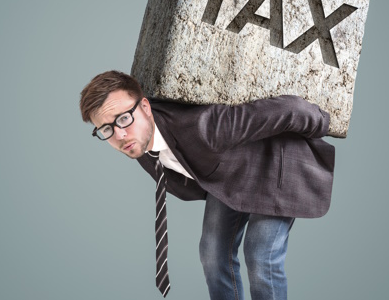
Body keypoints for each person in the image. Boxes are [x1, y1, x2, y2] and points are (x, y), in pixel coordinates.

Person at [79, 70, 335, 300]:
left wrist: (323, 122)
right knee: (212, 254)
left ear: (145, 106)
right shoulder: (138, 144)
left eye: (123, 119)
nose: (119, 135)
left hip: (274, 164)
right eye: (106, 129)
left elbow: (288, 107)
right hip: (228, 174)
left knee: (260, 255)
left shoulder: (202, 127)